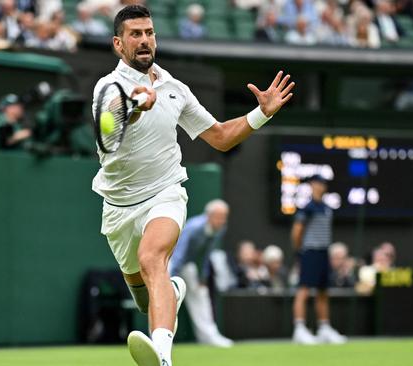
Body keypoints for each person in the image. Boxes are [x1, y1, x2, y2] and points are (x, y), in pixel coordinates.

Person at [91, 5, 294, 366]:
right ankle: (171, 293)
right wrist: (136, 104)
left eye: (149, 33)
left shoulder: (176, 89)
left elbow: (219, 137)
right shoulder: (108, 87)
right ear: (118, 44)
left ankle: (163, 358)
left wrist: (261, 113)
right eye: (135, 34)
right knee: (145, 296)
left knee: (153, 259)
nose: (144, 40)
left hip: (165, 192)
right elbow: (109, 127)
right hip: (118, 208)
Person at [168, 199, 233, 348]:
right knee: (168, 298)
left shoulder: (219, 230)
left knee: (201, 294)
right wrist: (171, 277)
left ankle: (208, 336)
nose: (223, 220)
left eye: (224, 217)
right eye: (219, 217)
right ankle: (161, 338)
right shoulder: (194, 227)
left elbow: (205, 254)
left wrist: (202, 277)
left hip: (188, 264)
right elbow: (179, 253)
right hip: (171, 261)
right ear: (209, 215)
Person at [290, 175, 346, 345]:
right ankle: (299, 329)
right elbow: (297, 232)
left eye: (322, 184)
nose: (320, 186)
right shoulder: (307, 208)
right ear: (312, 186)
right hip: (310, 252)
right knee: (304, 289)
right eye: (317, 183)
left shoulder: (327, 208)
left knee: (323, 291)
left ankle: (324, 328)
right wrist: (300, 250)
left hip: (323, 253)